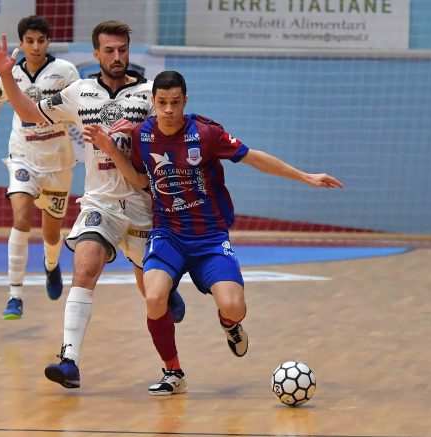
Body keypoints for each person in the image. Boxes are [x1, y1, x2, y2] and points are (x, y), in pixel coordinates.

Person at [83, 70, 344, 395]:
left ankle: (230, 324)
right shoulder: (142, 135)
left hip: (209, 238)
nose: (168, 109)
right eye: (162, 102)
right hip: (168, 234)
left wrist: (305, 176)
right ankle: (173, 372)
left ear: (185, 101)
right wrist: (112, 150)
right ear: (153, 101)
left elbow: (254, 158)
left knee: (234, 306)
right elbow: (140, 181)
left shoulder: (206, 133)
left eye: (175, 102)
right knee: (154, 297)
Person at [0, 21, 185, 389]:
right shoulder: (79, 92)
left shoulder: (149, 93)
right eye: (109, 50)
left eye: (122, 50)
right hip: (99, 203)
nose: (117, 56)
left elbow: (172, 139)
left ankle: (172, 363)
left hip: (143, 204)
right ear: (96, 54)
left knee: (152, 296)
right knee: (85, 267)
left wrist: (140, 136)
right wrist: (6, 77)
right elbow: (29, 113)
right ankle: (69, 362)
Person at [0, 16, 80, 319]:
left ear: (48, 42)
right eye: (29, 41)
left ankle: (51, 265)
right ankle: (15, 295)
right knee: (21, 218)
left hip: (57, 162)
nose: (35, 46)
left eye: (41, 40)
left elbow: (80, 108)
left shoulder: (65, 71)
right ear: (21, 43)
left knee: (52, 234)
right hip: (23, 157)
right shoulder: (12, 72)